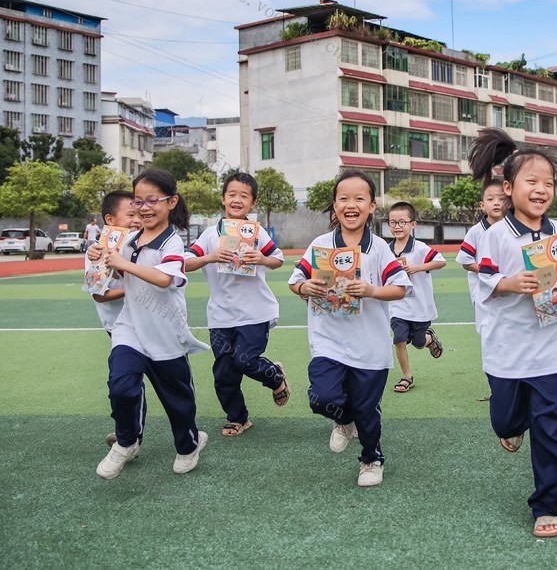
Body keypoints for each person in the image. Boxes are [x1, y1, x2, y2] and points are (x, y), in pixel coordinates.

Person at [469, 128, 557, 539]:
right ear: (508, 187)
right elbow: (483, 277)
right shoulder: (494, 235)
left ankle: (548, 503)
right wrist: (509, 282)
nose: (540, 190)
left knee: (550, 426)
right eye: (531, 182)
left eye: (548, 183)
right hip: (507, 351)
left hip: (553, 350)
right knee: (505, 422)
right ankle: (513, 426)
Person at [288, 171, 411, 487]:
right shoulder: (319, 245)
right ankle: (343, 420)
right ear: (334, 206)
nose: (351, 204)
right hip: (328, 341)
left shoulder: (380, 248)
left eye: (360, 198)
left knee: (367, 411)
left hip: (370, 348)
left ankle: (371, 458)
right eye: (344, 198)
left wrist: (370, 290)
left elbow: (400, 288)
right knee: (321, 397)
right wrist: (307, 287)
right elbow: (295, 282)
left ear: (372, 206)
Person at [92, 169, 210, 479]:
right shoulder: (130, 238)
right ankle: (126, 442)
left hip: (165, 333)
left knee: (178, 403)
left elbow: (163, 278)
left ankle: (190, 444)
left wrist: (122, 262)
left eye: (152, 200)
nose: (144, 207)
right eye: (138, 201)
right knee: (121, 386)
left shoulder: (172, 242)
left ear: (171, 202)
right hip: (129, 327)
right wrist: (98, 256)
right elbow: (113, 271)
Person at [184, 171, 290, 437]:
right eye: (232, 194)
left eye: (244, 196)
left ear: (252, 203)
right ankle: (238, 417)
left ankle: (274, 375)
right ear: (223, 199)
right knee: (224, 372)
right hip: (220, 316)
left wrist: (261, 258)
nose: (237, 199)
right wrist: (210, 257)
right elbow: (185, 262)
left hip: (255, 312)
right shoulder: (210, 235)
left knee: (244, 360)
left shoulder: (257, 233)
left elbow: (278, 259)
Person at [87, 190, 144, 448]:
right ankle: (130, 434)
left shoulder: (147, 243)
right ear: (110, 220)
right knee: (125, 381)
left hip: (150, 321)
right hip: (118, 326)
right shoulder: (98, 251)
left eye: (140, 213)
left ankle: (187, 433)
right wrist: (135, 287)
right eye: (130, 214)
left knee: (168, 382)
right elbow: (100, 295)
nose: (137, 219)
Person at [386, 201, 447, 393]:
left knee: (419, 343)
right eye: (393, 222)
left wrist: (417, 267)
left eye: (402, 222)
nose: (397, 226)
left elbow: (441, 261)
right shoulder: (385, 250)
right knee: (399, 339)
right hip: (397, 305)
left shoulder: (420, 248)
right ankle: (406, 376)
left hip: (420, 306)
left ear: (413, 224)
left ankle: (429, 339)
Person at [455, 179, 507, 335]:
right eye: (490, 199)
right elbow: (466, 261)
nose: (496, 203)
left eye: (501, 199)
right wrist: (489, 271)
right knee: (488, 331)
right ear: (482, 205)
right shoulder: (475, 232)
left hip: (507, 288)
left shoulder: (510, 230)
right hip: (482, 291)